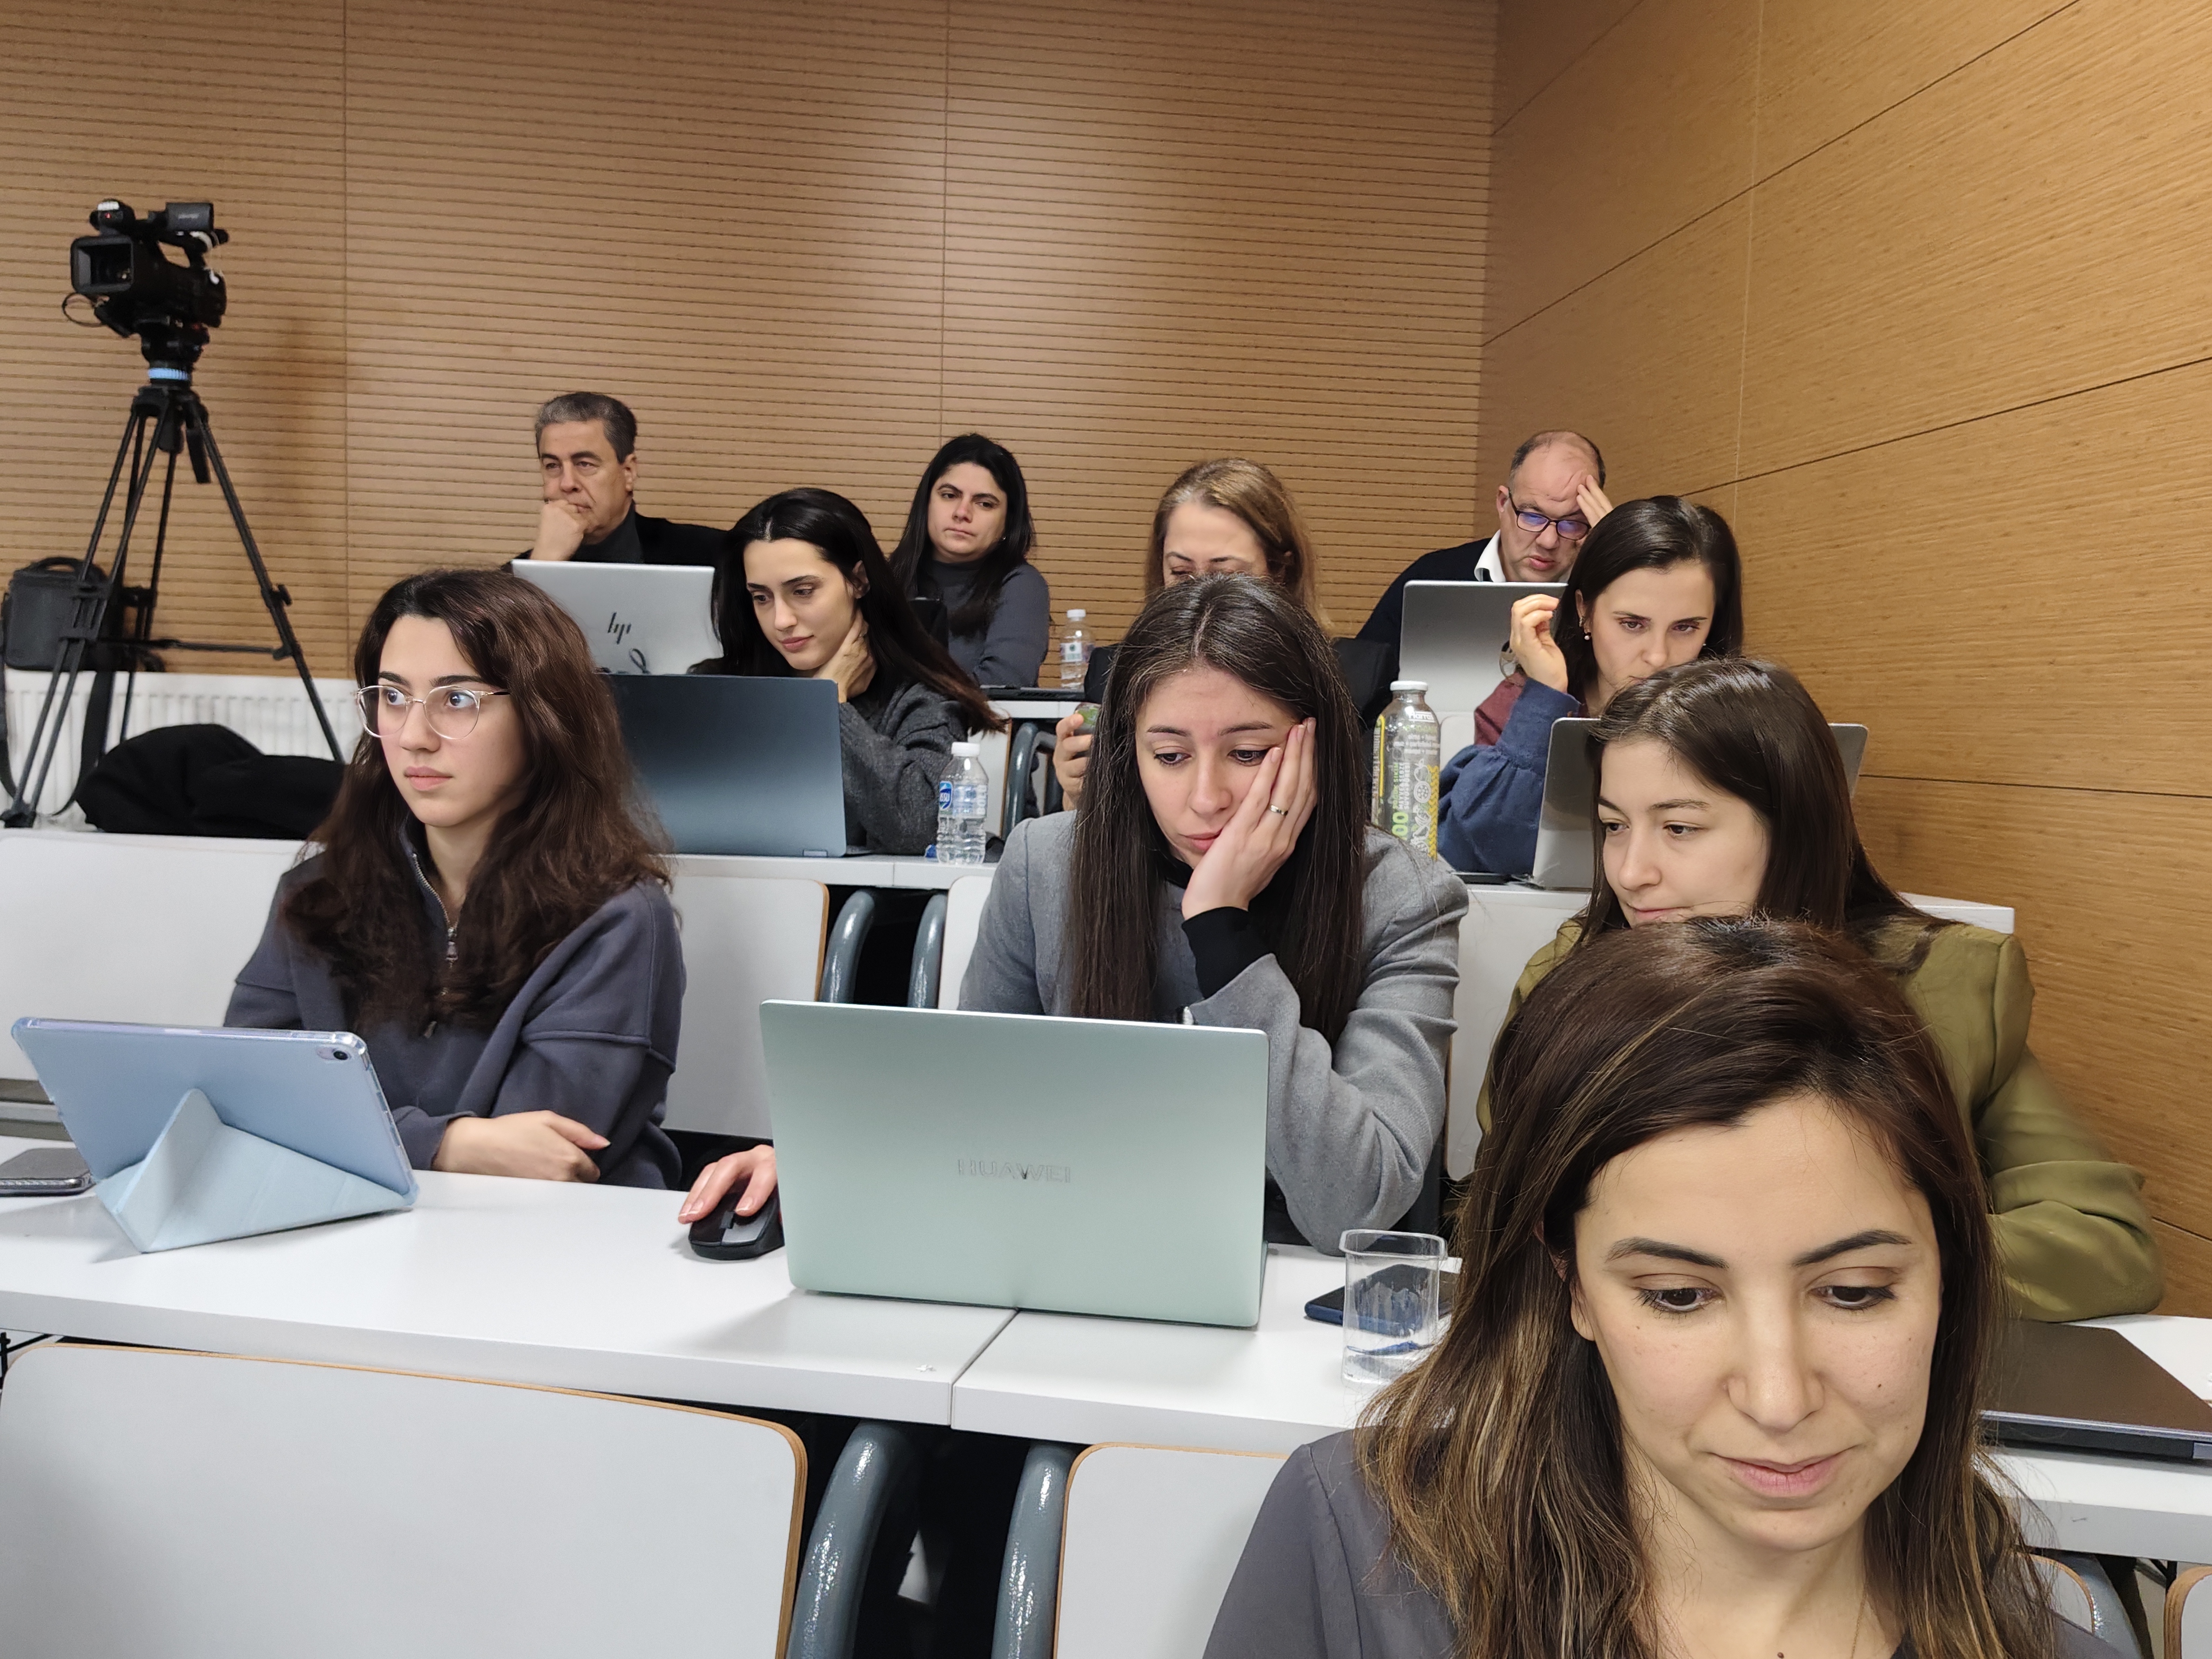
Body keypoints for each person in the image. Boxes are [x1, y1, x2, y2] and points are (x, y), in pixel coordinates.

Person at [1206, 917, 2117, 1659]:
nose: (1778, 1397)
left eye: (1852, 1291)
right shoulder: (1356, 1546)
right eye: (1678, 1296)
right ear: (1572, 1284)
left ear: (1947, 1276)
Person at [680, 575, 1467, 1251]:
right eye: (1169, 755)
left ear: (1315, 749)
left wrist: (1223, 928)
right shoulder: (1048, 864)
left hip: (1282, 1304)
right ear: (1129, 752)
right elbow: (969, 1109)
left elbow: (1356, 1204)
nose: (1205, 798)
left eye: (1249, 753)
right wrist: (835, 1161)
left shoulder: (1402, 897)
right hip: (1068, 1257)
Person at [1477, 656, 2159, 1321]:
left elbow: (2103, 1241)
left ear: (1792, 829)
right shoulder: (1568, 978)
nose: (1631, 872)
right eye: (1614, 826)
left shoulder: (1940, 987)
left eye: (1679, 828)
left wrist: (1857, 1276)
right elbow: (1501, 1221)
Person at [227, 568, 683, 1188]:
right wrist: (448, 1142)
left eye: (458, 699)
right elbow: (240, 1099)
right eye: (392, 697)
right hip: (351, 1236)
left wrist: (361, 1134)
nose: (414, 737)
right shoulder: (318, 892)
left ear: (542, 718)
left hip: (550, 1254)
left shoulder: (618, 918)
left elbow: (543, 1158)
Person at [1435, 494, 1742, 875]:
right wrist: (1546, 696)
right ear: (1584, 610)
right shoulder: (1523, 702)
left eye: (1686, 627)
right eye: (1632, 624)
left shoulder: (1738, 717)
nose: (1659, 657)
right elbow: (1480, 846)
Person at [696, 487, 1001, 855]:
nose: (781, 620)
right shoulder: (719, 689)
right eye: (762, 597)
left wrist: (830, 705)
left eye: (803, 591)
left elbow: (926, 827)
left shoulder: (918, 699)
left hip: (858, 910)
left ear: (858, 580)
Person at [1051, 456, 1333, 807]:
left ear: (1280, 572)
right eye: (1182, 573)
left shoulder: (1352, 679)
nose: (1199, 592)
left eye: (1226, 574)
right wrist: (1078, 795)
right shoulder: (1112, 672)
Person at [1355, 428, 1612, 656]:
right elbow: (1359, 689)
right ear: (1503, 504)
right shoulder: (1434, 577)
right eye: (1533, 517)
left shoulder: (1602, 592)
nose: (1548, 541)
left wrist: (1615, 548)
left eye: (1572, 523)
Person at [888, 434, 1052, 689]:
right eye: (949, 495)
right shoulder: (887, 577)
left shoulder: (1021, 586)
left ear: (1008, 522)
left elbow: (1000, 687)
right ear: (926, 503)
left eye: (985, 503)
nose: (962, 513)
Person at [517, 391, 725, 565]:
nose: (567, 483)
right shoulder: (516, 580)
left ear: (628, 472)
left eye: (585, 464)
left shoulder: (711, 554)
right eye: (553, 466)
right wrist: (544, 566)